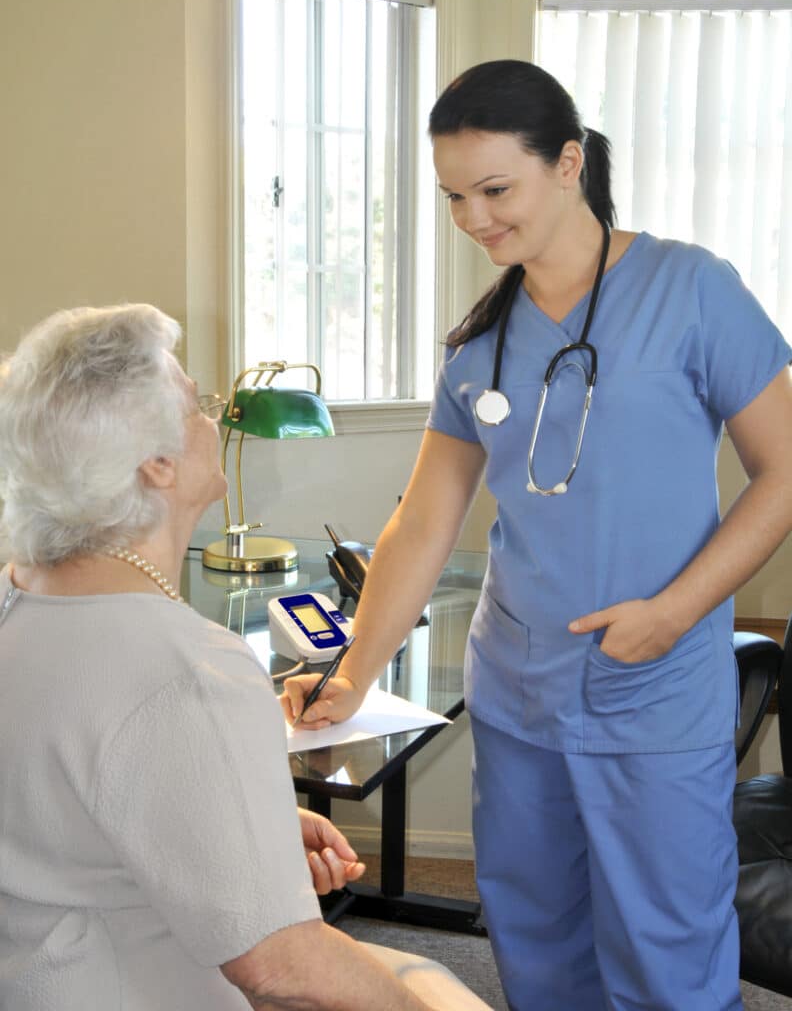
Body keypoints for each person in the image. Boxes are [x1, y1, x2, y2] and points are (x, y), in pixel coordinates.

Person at [282, 60, 792, 1010]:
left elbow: (786, 471)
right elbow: (424, 520)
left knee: (665, 949)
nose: (475, 219)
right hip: (518, 692)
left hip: (654, 683)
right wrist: (354, 668)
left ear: (568, 163)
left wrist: (676, 613)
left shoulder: (692, 290)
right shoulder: (482, 342)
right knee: (536, 939)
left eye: (494, 189)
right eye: (453, 197)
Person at [0, 303, 492, 1011]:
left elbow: (58, 804)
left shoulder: (19, 599)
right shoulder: (190, 670)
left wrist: (241, 830)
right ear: (158, 464)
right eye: (196, 404)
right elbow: (280, 966)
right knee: (435, 991)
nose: (213, 418)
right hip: (133, 988)